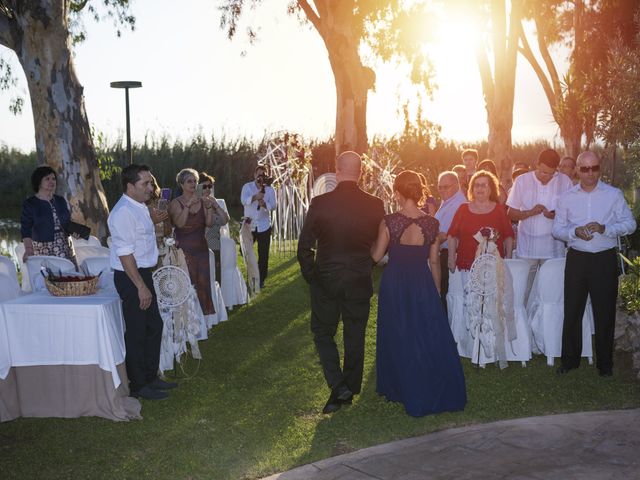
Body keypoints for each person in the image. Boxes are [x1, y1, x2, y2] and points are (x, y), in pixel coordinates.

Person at [371, 170, 466, 417]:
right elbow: (435, 262)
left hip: (395, 282)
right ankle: (427, 380)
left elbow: (376, 256)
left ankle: (398, 386)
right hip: (422, 282)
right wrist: (435, 291)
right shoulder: (432, 223)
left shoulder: (389, 221)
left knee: (398, 331)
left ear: (398, 192)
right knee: (424, 333)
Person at [297, 151, 384, 414]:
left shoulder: (320, 202)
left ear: (337, 170)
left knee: (323, 332)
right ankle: (348, 388)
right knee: (355, 334)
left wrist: (312, 276)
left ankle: (338, 385)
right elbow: (381, 241)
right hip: (358, 277)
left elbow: (304, 247)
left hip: (327, 278)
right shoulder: (376, 204)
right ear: (360, 172)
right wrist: (366, 265)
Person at [552, 151, 636, 377]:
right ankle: (569, 361)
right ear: (577, 170)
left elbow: (630, 224)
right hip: (577, 259)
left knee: (604, 313)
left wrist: (605, 228)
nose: (590, 174)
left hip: (604, 259)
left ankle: (605, 365)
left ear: (600, 168)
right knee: (572, 311)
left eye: (594, 168)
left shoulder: (613, 194)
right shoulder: (566, 197)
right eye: (585, 169)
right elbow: (557, 230)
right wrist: (574, 232)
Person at [108, 164, 177, 401]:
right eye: (145, 184)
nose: (150, 187)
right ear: (130, 186)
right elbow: (125, 255)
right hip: (131, 276)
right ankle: (138, 385)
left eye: (150, 182)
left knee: (153, 326)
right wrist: (140, 286)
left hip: (144, 272)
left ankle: (150, 376)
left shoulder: (139, 207)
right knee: (137, 330)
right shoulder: (122, 213)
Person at [447, 171, 515, 363]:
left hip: (493, 267)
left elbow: (509, 235)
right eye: (477, 185)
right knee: (471, 305)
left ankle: (490, 349)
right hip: (467, 266)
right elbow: (452, 235)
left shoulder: (499, 210)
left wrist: (507, 259)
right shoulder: (463, 209)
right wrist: (451, 257)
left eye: (484, 185)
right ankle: (471, 347)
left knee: (491, 306)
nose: (480, 188)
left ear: (491, 188)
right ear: (471, 188)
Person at [506, 149, 574, 301]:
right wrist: (529, 212)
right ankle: (522, 324)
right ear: (536, 164)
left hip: (554, 250)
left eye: (551, 173)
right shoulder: (522, 181)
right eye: (543, 172)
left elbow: (572, 214)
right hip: (527, 249)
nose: (547, 177)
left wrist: (556, 215)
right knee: (522, 293)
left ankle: (548, 325)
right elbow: (511, 213)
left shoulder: (565, 181)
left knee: (551, 296)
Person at [170, 168, 217, 321]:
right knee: (188, 285)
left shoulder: (203, 201)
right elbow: (180, 224)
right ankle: (188, 320)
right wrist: (188, 206)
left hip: (201, 248)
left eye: (195, 181)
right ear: (181, 185)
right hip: (184, 250)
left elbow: (209, 224)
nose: (193, 184)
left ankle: (205, 322)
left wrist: (209, 208)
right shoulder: (175, 203)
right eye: (189, 181)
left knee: (203, 284)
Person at [20, 166, 76, 264]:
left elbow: (67, 223)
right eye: (47, 179)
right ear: (39, 181)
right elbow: (26, 230)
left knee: (70, 276)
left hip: (65, 245)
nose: (52, 181)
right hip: (43, 248)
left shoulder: (60, 200)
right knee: (49, 278)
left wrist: (80, 232)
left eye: (53, 179)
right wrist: (29, 250)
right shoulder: (30, 204)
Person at [434, 171, 467, 314]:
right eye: (439, 187)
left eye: (445, 187)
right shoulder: (449, 200)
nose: (441, 190)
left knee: (445, 294)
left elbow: (446, 234)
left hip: (450, 255)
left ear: (456, 186)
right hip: (443, 253)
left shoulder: (459, 204)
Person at [241, 165, 276, 289]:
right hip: (249, 225)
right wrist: (256, 197)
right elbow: (243, 200)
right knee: (244, 251)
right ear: (254, 175)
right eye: (259, 174)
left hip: (264, 225)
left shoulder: (271, 190)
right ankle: (252, 274)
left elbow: (273, 206)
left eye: (263, 175)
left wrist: (264, 204)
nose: (261, 177)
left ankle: (260, 279)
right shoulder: (247, 187)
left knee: (263, 254)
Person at [199, 172, 229, 285]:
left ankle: (217, 302)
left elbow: (225, 220)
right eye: (204, 186)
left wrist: (216, 205)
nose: (207, 189)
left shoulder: (215, 202)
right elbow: (208, 223)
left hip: (215, 246)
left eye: (209, 186)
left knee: (217, 279)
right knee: (203, 281)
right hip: (201, 248)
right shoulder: (195, 204)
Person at [146, 174, 172, 267]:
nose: (149, 187)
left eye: (152, 184)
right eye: (146, 184)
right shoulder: (137, 205)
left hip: (161, 249)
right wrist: (153, 221)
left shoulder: (160, 203)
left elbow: (168, 231)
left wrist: (166, 217)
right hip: (144, 249)